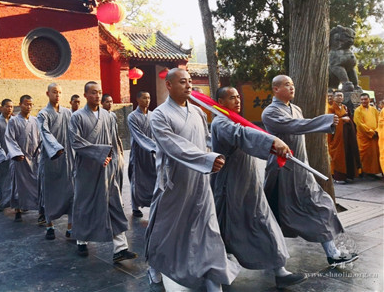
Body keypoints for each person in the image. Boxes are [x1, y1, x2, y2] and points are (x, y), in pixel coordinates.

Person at [147, 68, 240, 291]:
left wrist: (212, 159)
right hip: (174, 183)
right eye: (182, 82)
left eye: (190, 82)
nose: (189, 86)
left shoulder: (198, 113)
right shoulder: (159, 115)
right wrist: (206, 159)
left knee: (208, 230)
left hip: (200, 181)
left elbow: (206, 142)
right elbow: (174, 146)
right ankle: (155, 265)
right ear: (169, 85)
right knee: (165, 229)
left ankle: (212, 280)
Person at [210, 87, 306, 289]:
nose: (237, 100)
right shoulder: (221, 122)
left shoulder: (235, 119)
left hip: (249, 183)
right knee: (222, 226)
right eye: (231, 97)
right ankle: (215, 270)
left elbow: (247, 132)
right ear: (220, 101)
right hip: (230, 186)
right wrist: (272, 140)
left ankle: (279, 270)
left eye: (238, 96)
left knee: (263, 221)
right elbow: (241, 134)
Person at [262, 75, 358, 267]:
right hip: (283, 172)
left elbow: (301, 124)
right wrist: (324, 121)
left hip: (302, 169)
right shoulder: (270, 113)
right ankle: (273, 260)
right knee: (274, 215)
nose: (292, 88)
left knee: (322, 206)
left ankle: (333, 253)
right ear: (275, 89)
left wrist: (324, 123)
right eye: (287, 85)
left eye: (292, 84)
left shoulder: (295, 109)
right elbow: (294, 126)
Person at [69, 81, 136, 262]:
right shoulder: (77, 118)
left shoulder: (109, 116)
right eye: (93, 93)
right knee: (85, 204)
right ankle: (81, 241)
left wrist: (116, 160)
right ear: (85, 95)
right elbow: (75, 142)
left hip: (108, 168)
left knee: (113, 204)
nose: (97, 96)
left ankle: (120, 248)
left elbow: (114, 141)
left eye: (99, 92)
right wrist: (99, 153)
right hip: (87, 170)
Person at [37, 83, 74, 240]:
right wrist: (56, 148)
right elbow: (44, 133)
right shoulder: (43, 114)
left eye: (59, 92)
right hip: (51, 158)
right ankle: (49, 225)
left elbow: (74, 132)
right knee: (49, 192)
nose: (57, 95)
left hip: (67, 159)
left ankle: (71, 227)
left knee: (71, 192)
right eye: (54, 92)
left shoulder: (67, 113)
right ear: (47, 93)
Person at [5, 95, 40, 222]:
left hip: (34, 157)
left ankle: (37, 208)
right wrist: (16, 153)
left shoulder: (35, 120)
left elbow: (39, 138)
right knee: (18, 185)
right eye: (26, 104)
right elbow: (10, 138)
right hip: (19, 158)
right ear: (20, 104)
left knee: (36, 183)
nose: (29, 107)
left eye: (31, 104)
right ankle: (18, 209)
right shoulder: (13, 121)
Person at [127, 91, 156, 218]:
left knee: (153, 177)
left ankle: (153, 202)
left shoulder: (153, 115)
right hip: (139, 151)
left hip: (152, 153)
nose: (147, 100)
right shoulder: (132, 117)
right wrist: (153, 146)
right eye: (144, 98)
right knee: (136, 178)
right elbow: (138, 135)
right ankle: (135, 206)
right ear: (138, 100)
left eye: (149, 98)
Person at [327, 91, 360, 183]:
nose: (340, 97)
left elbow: (350, 119)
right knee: (338, 155)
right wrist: (342, 119)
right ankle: (339, 177)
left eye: (341, 96)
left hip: (347, 135)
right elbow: (330, 121)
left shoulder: (345, 107)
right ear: (334, 97)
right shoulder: (331, 108)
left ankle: (349, 175)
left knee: (348, 152)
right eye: (337, 95)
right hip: (337, 137)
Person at [353, 93, 382, 176]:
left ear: (369, 100)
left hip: (374, 136)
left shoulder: (374, 110)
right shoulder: (358, 110)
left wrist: (377, 130)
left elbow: (379, 121)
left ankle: (372, 172)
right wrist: (371, 132)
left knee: (373, 155)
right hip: (364, 137)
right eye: (362, 99)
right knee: (364, 155)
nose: (363, 101)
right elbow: (359, 124)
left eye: (365, 99)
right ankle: (363, 172)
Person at [101, 93, 124, 193]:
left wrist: (120, 149)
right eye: (107, 102)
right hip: (106, 150)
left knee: (119, 174)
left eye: (111, 101)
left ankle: (119, 198)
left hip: (116, 149)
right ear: (102, 103)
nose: (110, 104)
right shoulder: (100, 116)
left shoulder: (113, 115)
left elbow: (116, 133)